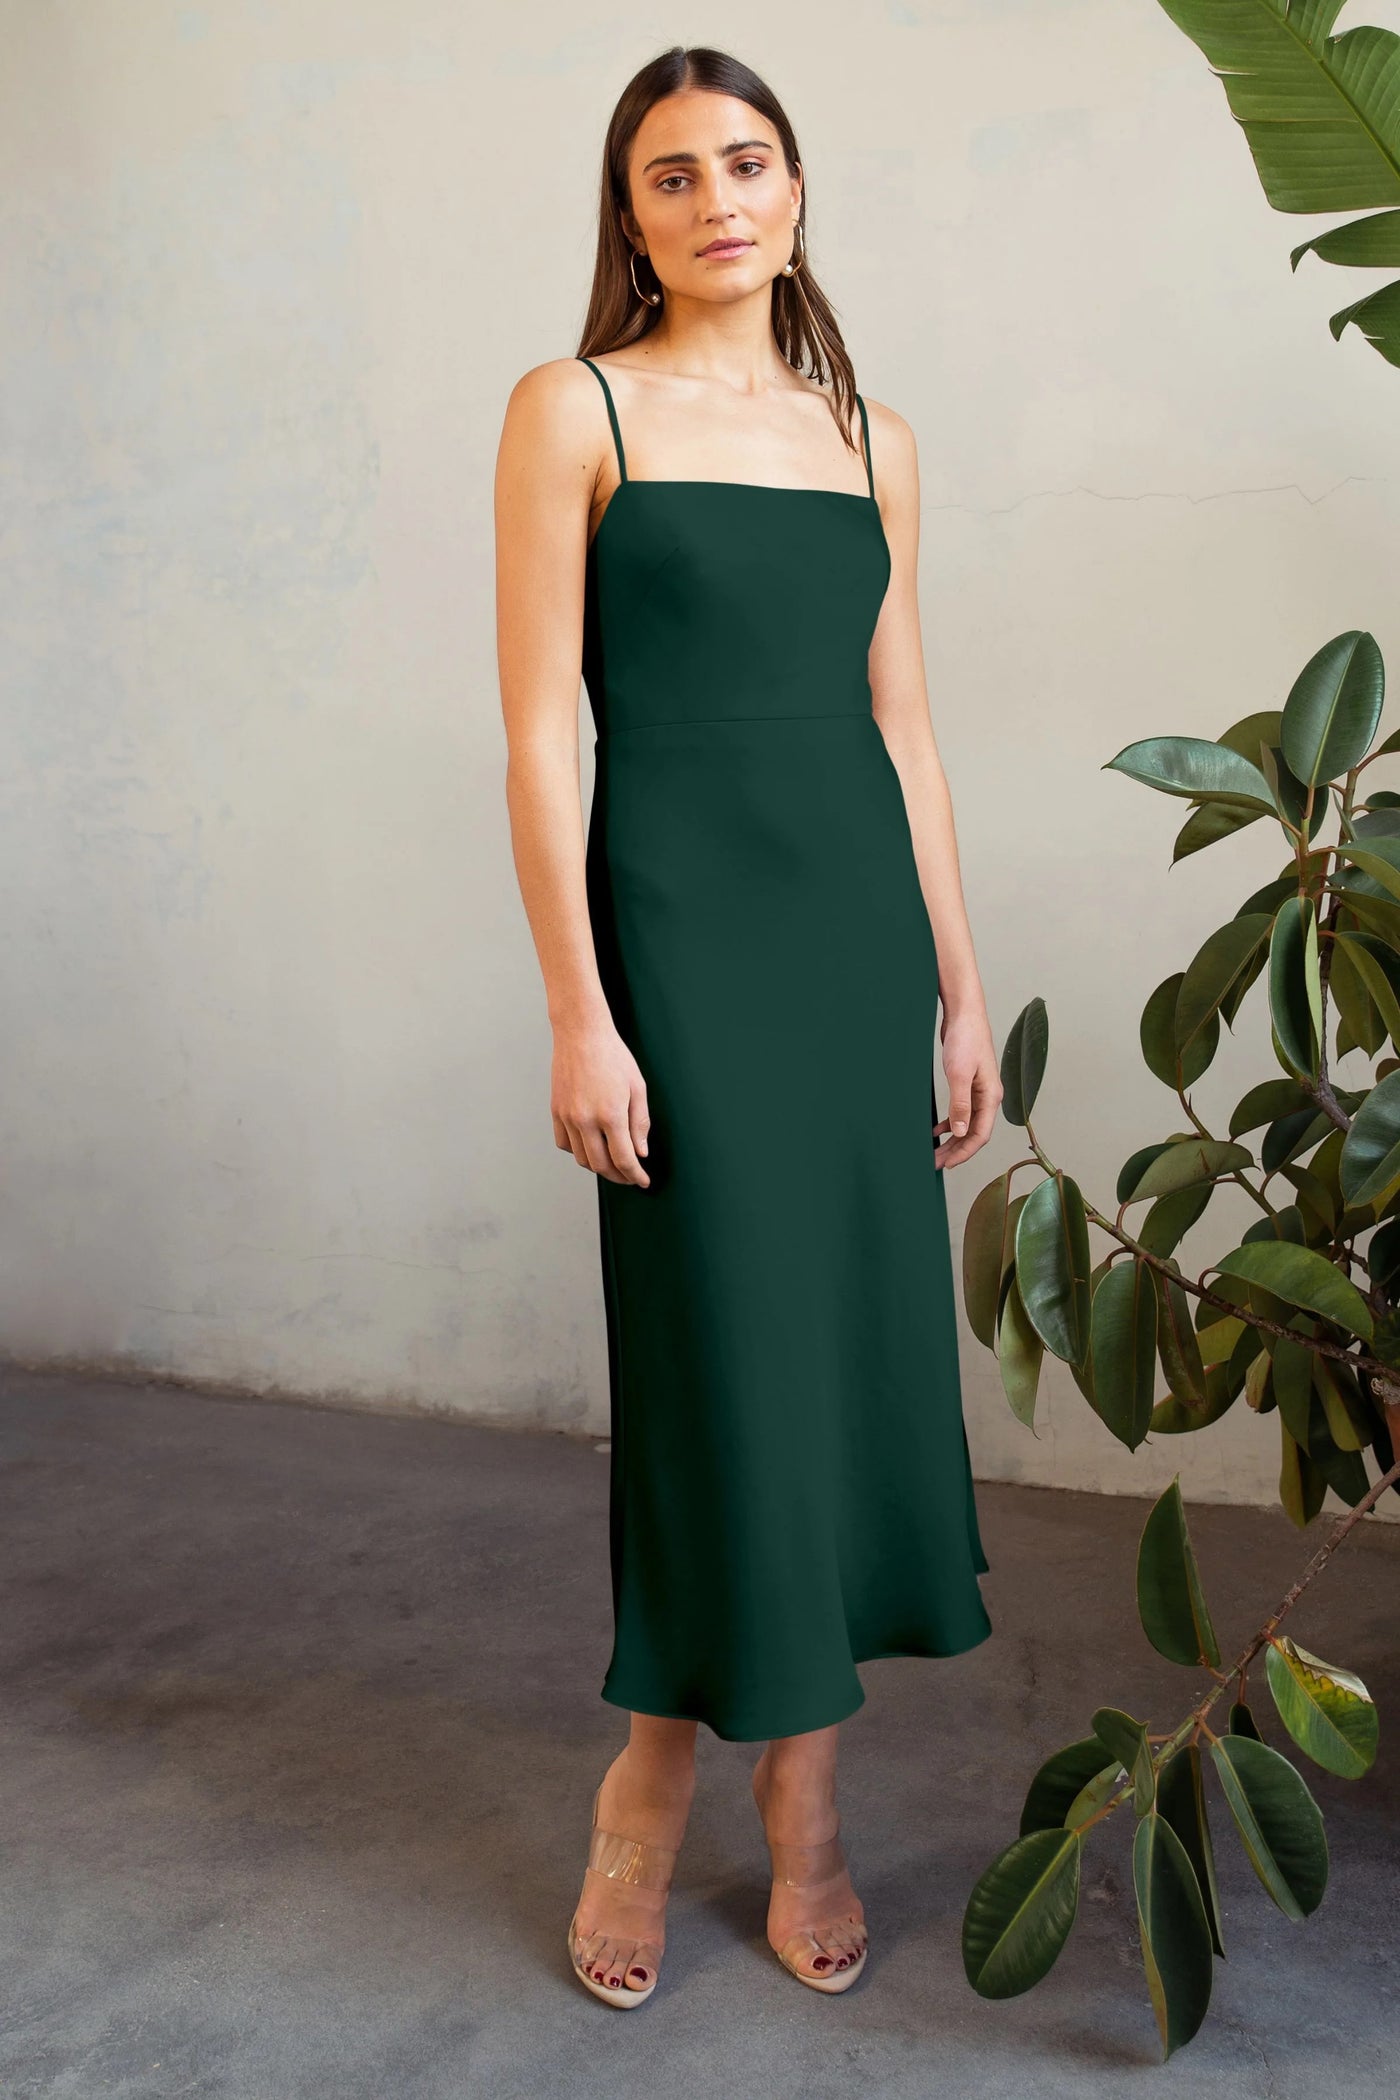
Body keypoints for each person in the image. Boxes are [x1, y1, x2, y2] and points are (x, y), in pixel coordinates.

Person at [494, 44, 1002, 2008]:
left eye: (749, 162)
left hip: (851, 949)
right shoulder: (574, 407)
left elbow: (903, 723)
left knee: (852, 1367)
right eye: (672, 175)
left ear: (796, 190)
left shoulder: (871, 434)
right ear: (629, 219)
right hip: (680, 949)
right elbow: (544, 728)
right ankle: (645, 1785)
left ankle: (805, 1801)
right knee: (720, 1372)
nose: (718, 198)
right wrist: (577, 1010)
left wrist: (960, 986)